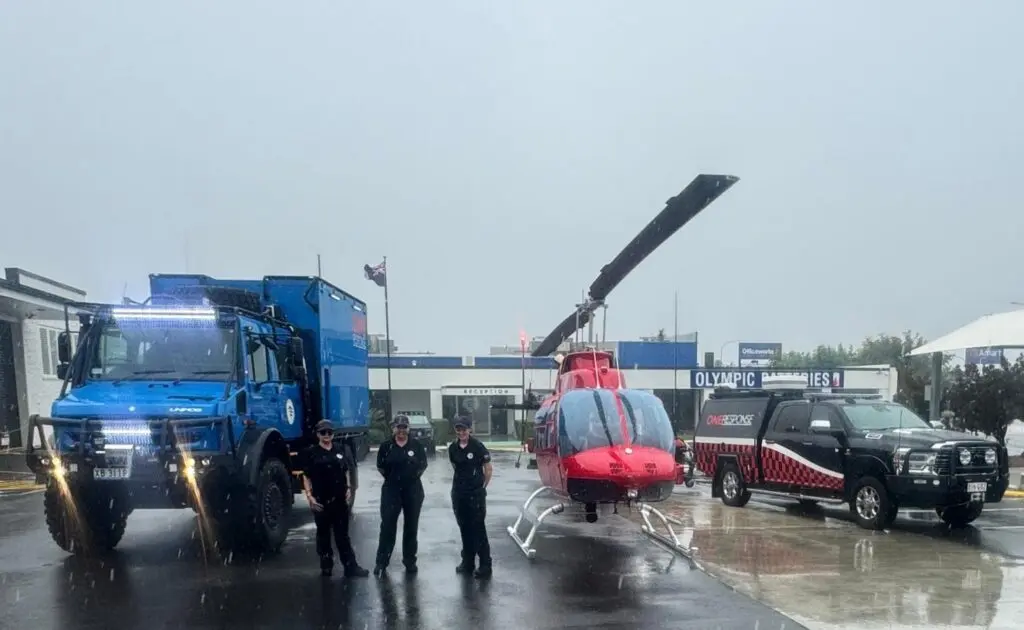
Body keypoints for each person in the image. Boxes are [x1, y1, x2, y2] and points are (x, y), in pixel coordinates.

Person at [301, 419, 370, 578]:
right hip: (321, 500)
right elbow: (306, 476)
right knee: (323, 535)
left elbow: (346, 470)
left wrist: (348, 489)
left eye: (329, 432)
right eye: (323, 432)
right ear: (318, 434)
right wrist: (309, 496)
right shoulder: (311, 452)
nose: (326, 435)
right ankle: (326, 566)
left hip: (339, 500)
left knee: (342, 536)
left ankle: (350, 567)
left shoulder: (341, 449)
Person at [374, 414, 429, 576]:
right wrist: (395, 480)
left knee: (411, 527)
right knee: (387, 526)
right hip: (391, 490)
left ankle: (410, 561)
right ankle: (382, 562)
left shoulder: (416, 445)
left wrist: (409, 479)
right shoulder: (386, 446)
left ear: (408, 428)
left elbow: (422, 466)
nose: (401, 431)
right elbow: (381, 467)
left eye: (404, 427)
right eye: (398, 427)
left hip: (413, 490)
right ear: (394, 428)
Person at [448, 415, 492, 579]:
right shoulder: (453, 448)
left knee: (478, 529)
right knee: (464, 528)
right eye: (458, 429)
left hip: (476, 494)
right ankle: (468, 562)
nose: (461, 432)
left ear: (470, 429)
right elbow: (455, 467)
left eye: (464, 429)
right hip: (459, 494)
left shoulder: (478, 447)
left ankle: (485, 564)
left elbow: (488, 470)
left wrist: (481, 487)